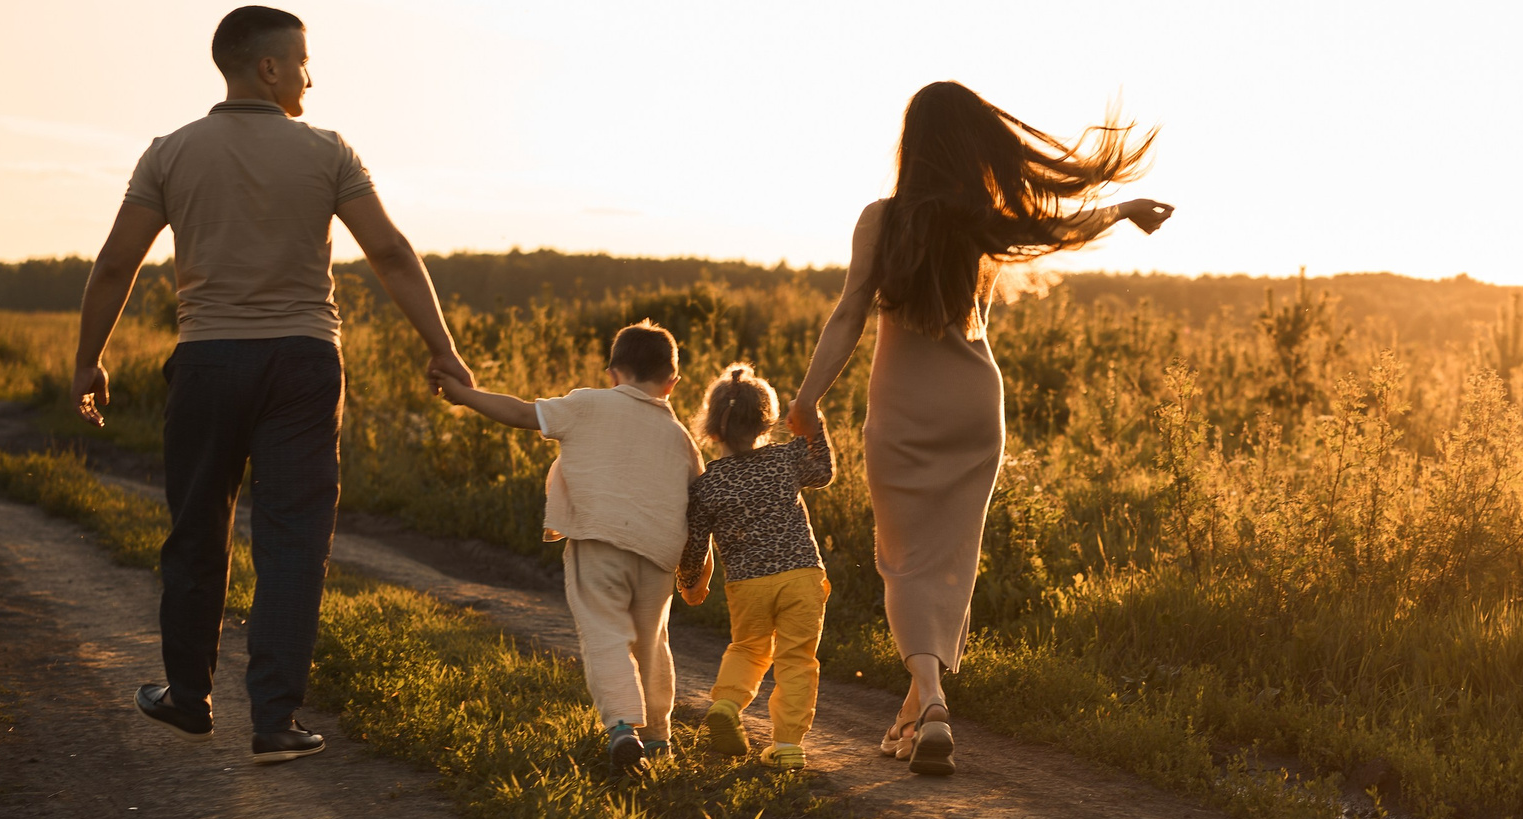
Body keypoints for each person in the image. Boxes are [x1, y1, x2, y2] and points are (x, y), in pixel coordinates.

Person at [73, 4, 473, 765]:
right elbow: (389, 251)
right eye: (301, 61)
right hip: (302, 362)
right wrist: (443, 348)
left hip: (207, 363)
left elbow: (115, 264)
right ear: (266, 67)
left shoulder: (170, 153)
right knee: (293, 540)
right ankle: (275, 720)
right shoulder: (327, 152)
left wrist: (88, 358)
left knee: (197, 528)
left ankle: (188, 698)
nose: (309, 77)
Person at [787, 81, 1172, 776]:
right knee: (948, 562)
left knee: (905, 562)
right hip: (972, 404)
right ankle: (913, 714)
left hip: (902, 405)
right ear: (971, 145)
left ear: (913, 143)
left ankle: (931, 699)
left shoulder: (882, 218)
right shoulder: (980, 219)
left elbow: (848, 314)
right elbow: (1059, 228)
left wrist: (808, 399)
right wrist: (1121, 208)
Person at [431, 321, 702, 774]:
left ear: (613, 372)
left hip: (598, 541)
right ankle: (659, 738)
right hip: (658, 556)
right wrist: (698, 570)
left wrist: (466, 395)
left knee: (605, 634)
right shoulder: (681, 438)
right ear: (672, 383)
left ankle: (621, 726)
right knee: (654, 643)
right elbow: (699, 506)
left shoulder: (587, 403)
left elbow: (520, 413)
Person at [677, 364, 836, 770]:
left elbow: (694, 544)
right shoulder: (787, 457)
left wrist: (690, 582)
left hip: (747, 584)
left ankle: (728, 704)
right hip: (801, 575)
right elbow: (824, 472)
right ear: (768, 422)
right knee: (797, 658)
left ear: (711, 429)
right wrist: (813, 425)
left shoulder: (707, 485)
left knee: (748, 648)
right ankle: (787, 746)